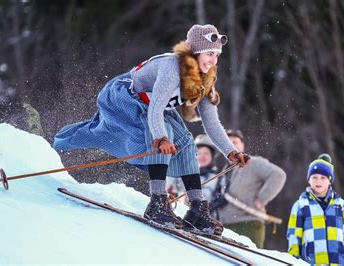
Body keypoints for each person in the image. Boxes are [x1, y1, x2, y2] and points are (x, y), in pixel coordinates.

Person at [53, 24, 249, 235]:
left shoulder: (206, 80)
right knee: (166, 136)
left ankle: (196, 210)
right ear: (195, 51)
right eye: (210, 53)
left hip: (153, 108)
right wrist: (162, 139)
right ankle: (157, 203)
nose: (214, 61)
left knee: (187, 144)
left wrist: (231, 152)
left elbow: (211, 123)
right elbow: (155, 109)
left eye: (217, 55)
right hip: (125, 98)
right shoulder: (172, 68)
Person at [210, 129, 286, 248]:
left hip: (248, 224)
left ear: (242, 145)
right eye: (228, 143)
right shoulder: (224, 170)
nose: (231, 146)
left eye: (235, 142)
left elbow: (278, 175)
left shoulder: (253, 162)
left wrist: (262, 199)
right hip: (224, 226)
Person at [286, 153, 344, 265]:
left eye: (323, 178)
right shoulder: (301, 206)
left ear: (330, 181)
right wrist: (294, 257)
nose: (318, 181)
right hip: (311, 263)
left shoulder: (340, 205)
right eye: (314, 177)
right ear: (309, 180)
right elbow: (294, 235)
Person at [165, 134, 219, 204]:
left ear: (212, 156)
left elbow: (206, 197)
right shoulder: (185, 171)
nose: (202, 156)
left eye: (206, 153)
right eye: (199, 153)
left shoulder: (215, 176)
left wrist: (188, 197)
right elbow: (171, 186)